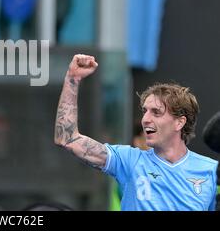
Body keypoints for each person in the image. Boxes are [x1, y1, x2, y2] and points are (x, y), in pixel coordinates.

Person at [54, 54, 218, 211]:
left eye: (156, 112)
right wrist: (72, 78)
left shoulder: (211, 171)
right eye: (144, 111)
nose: (145, 119)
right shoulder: (128, 160)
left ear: (179, 122)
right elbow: (67, 139)